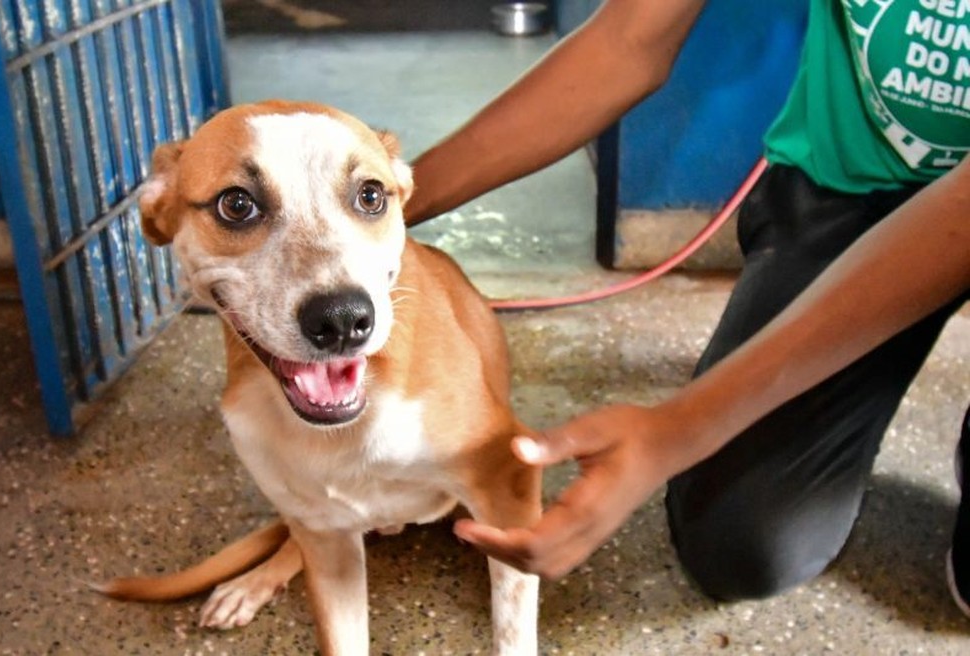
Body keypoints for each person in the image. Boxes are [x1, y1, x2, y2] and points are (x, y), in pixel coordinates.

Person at [402, 0, 970, 607]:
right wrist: (385, 201)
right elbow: (627, 42)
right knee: (740, 542)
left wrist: (678, 430)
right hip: (849, 185)